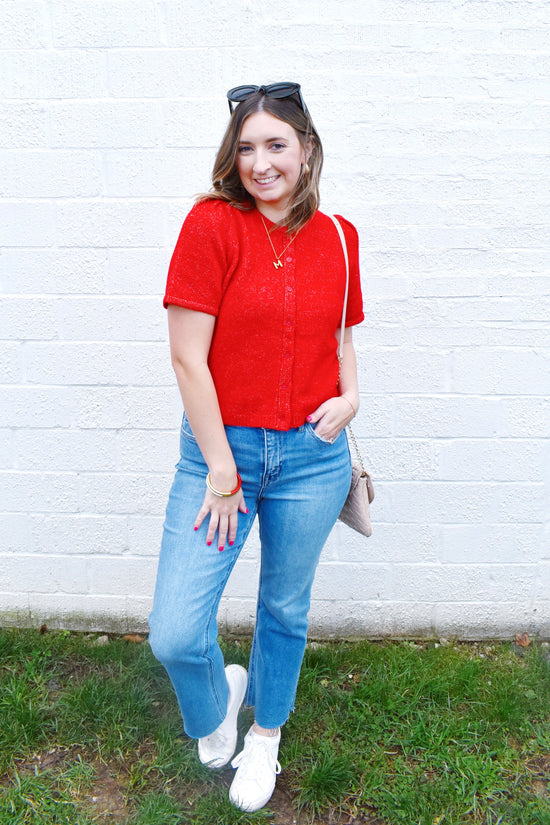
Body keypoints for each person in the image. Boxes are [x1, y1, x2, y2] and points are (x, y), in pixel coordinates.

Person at [148, 82, 364, 813]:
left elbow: (341, 339)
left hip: (312, 456)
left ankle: (265, 736)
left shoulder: (339, 235)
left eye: (276, 145)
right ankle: (217, 704)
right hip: (222, 455)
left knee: (284, 607)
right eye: (246, 147)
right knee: (177, 630)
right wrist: (219, 468)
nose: (260, 162)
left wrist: (352, 395)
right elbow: (187, 357)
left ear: (306, 150)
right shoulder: (212, 226)